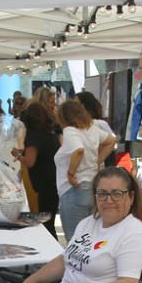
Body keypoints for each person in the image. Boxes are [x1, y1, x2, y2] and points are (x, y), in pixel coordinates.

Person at [19, 167, 142, 283]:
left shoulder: (134, 234)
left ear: (131, 197)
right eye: (102, 193)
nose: (108, 200)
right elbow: (66, 261)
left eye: (117, 194)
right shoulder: (88, 223)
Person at [54, 99, 116, 242]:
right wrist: (96, 161)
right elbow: (111, 141)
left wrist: (70, 173)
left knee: (75, 241)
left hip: (73, 189)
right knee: (90, 240)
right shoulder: (92, 130)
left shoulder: (70, 131)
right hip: (91, 188)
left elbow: (78, 150)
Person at [17, 100, 61, 237]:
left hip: (42, 185)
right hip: (53, 181)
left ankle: (51, 254)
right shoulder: (51, 134)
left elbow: (30, 161)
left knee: (43, 225)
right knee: (49, 223)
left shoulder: (34, 136)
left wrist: (18, 155)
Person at [76, 91, 117, 166]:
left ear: (84, 106)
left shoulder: (99, 124)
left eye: (76, 104)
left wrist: (97, 161)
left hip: (98, 168)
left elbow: (113, 144)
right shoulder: (76, 126)